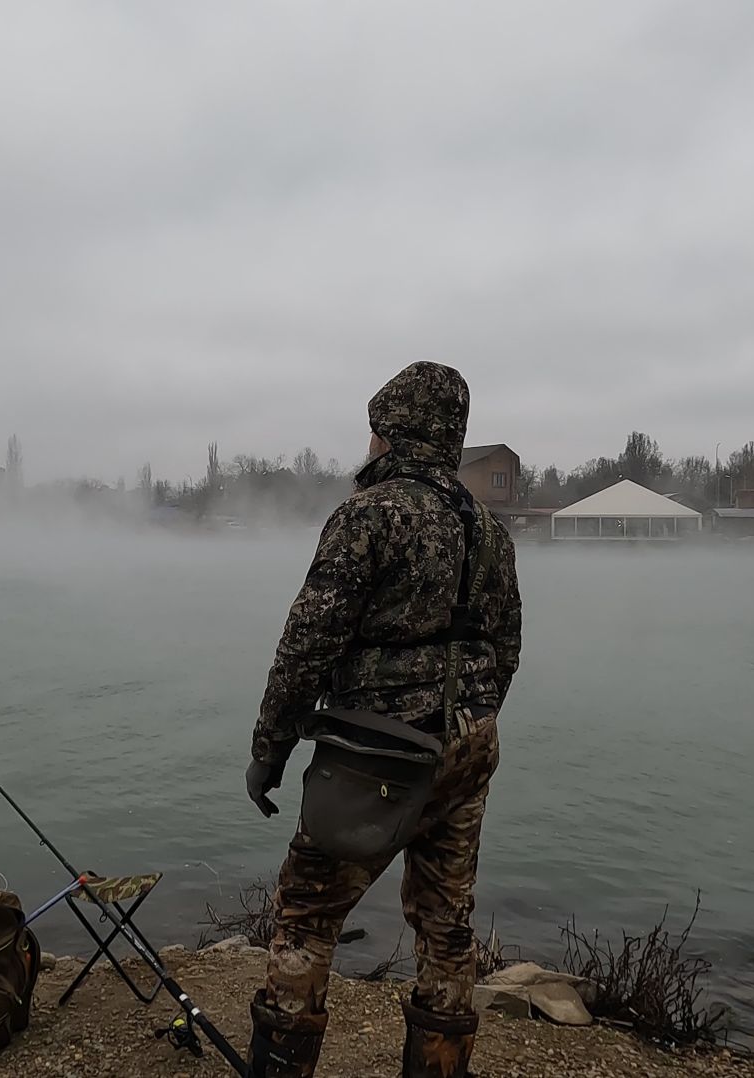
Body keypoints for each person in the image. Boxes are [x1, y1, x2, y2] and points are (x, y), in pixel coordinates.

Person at [243, 361, 522, 1078]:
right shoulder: (488, 529)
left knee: (306, 912)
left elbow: (307, 644)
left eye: (374, 429)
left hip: (381, 753)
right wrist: (471, 720)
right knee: (445, 922)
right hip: (468, 748)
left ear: (390, 430)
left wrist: (270, 749)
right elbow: (505, 646)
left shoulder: (370, 514)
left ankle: (279, 1066)